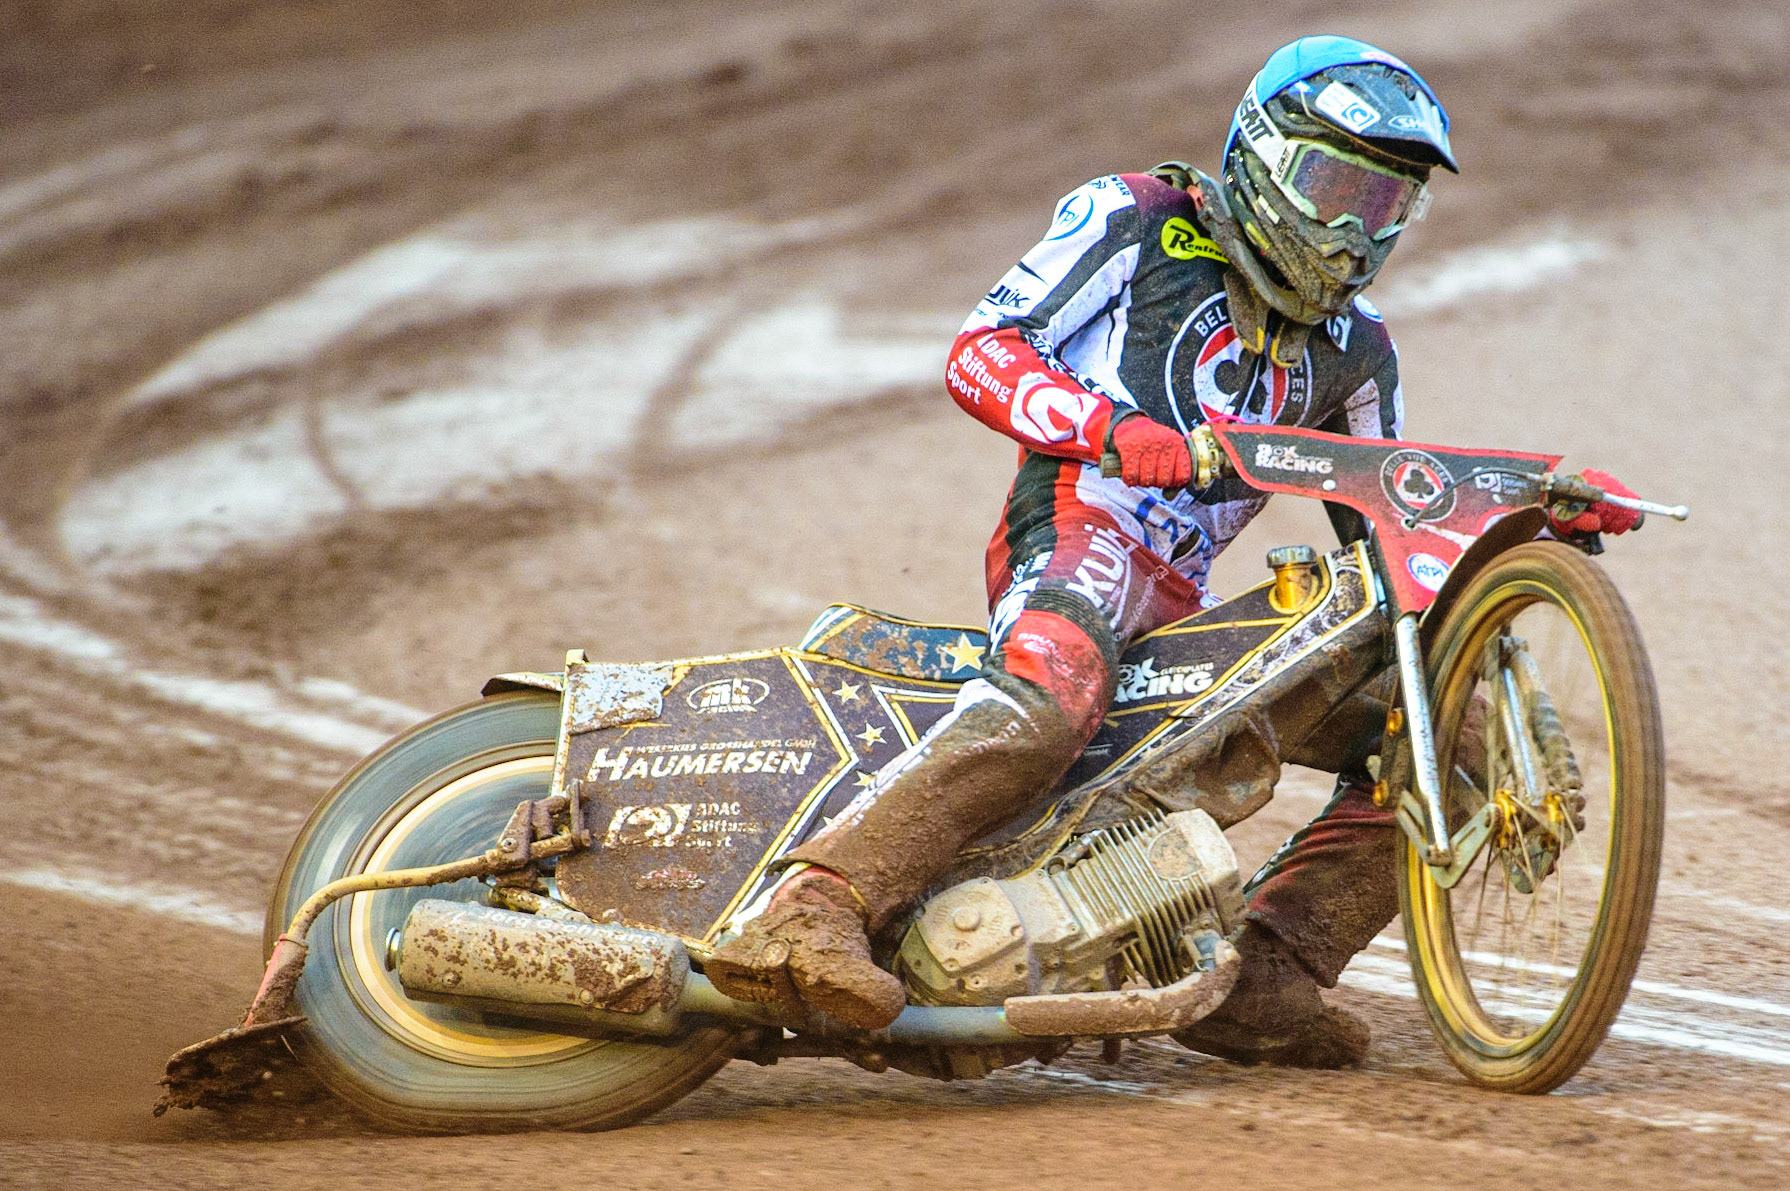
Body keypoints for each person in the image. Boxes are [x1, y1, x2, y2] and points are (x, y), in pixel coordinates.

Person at [707, 35, 1641, 1065]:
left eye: (1385, 207)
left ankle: (1270, 971)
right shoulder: (1135, 219)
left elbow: (1395, 543)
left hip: (1185, 603)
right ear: (1262, 156)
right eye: (1334, 189)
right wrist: (1110, 430)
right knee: (1053, 692)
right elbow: (982, 349)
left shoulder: (1359, 350)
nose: (1352, 232)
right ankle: (814, 903)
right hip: (1079, 529)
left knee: (1451, 732)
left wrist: (1529, 520)